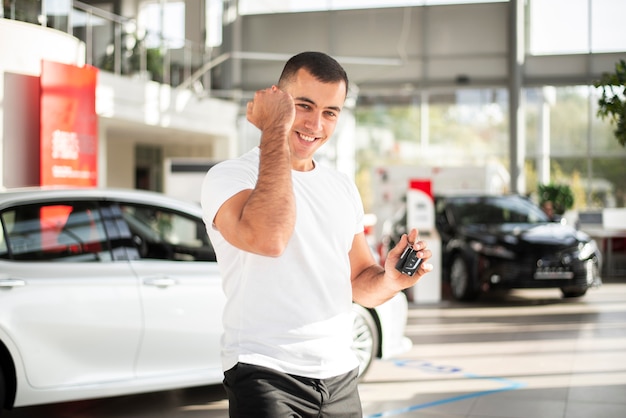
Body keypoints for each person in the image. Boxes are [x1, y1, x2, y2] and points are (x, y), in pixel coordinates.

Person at [200, 51, 433, 418]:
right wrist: (274, 128)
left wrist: (391, 278)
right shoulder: (230, 177)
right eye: (303, 106)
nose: (314, 124)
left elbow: (358, 283)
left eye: (330, 112)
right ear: (277, 100)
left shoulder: (340, 187)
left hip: (339, 375)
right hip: (265, 372)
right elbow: (269, 238)